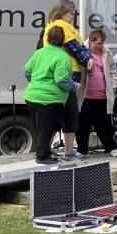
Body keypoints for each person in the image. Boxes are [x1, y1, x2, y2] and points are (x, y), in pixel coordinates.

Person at [43, 0, 93, 160]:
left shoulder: (50, 26)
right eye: (72, 13)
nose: (73, 16)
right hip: (68, 72)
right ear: (64, 12)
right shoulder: (62, 26)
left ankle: (46, 149)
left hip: (54, 73)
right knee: (70, 115)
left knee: (54, 116)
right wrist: (88, 59)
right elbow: (76, 47)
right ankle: (69, 152)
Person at [24, 24, 75, 164]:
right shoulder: (63, 57)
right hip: (50, 98)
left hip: (31, 95)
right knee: (47, 129)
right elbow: (62, 80)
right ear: (63, 40)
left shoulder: (39, 53)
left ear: (47, 37)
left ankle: (41, 153)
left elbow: (27, 72)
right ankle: (43, 156)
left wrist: (35, 83)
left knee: (38, 128)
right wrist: (75, 86)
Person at [78, 28, 117, 157]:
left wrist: (112, 87)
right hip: (86, 95)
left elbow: (113, 71)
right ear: (91, 41)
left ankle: (110, 147)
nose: (101, 46)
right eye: (98, 44)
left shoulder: (106, 53)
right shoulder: (82, 51)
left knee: (105, 124)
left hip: (102, 95)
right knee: (83, 125)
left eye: (103, 43)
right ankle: (82, 149)